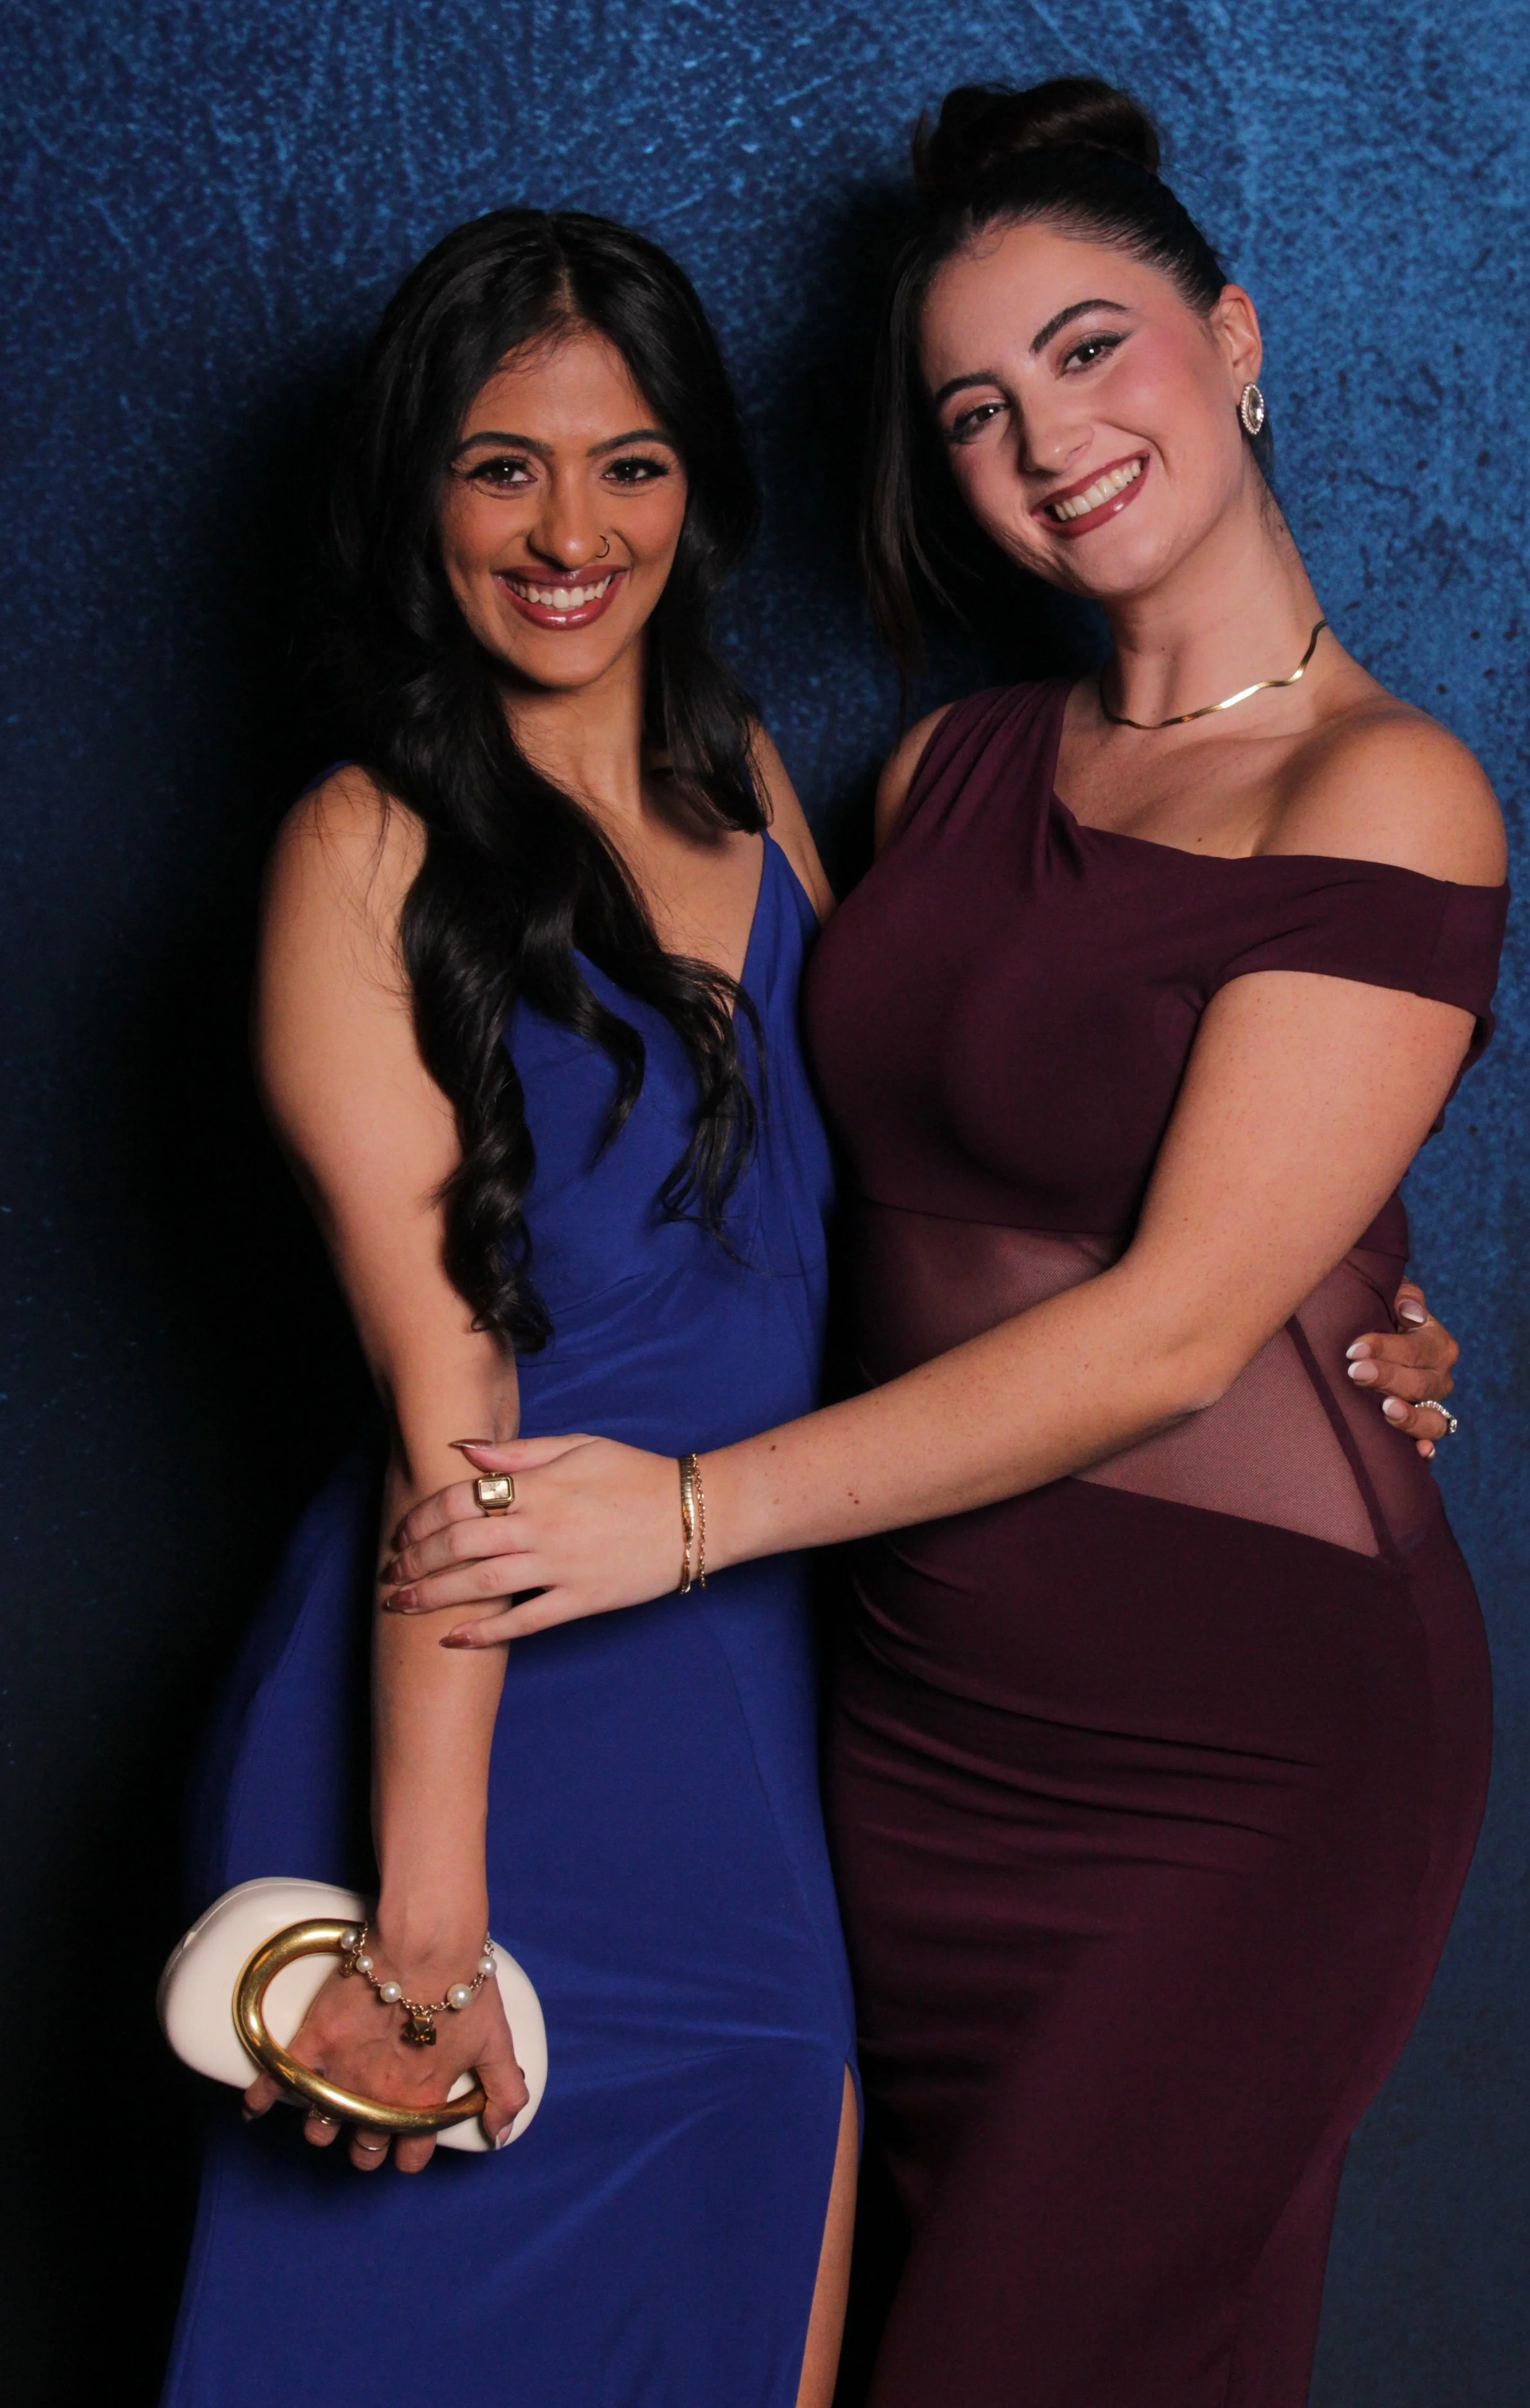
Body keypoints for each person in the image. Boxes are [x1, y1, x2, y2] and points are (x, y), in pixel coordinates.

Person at [385, 80, 1507, 2408]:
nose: (1047, 441)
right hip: (907, 1730)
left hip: (1237, 1764)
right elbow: (837, 1184)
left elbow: (1169, 1333)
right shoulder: (944, 773)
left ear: (1233, 339)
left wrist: (684, 1516)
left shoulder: (1383, 789)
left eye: (1091, 350)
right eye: (976, 408)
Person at [162, 209, 858, 2408]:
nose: (572, 533)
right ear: (418, 493)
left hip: (737, 1671)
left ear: (696, 487)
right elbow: (447, 1383)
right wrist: (426, 1907)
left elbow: (944, 1173)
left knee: (746, 2295)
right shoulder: (358, 848)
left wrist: (1348, 1289)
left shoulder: (751, 784)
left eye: (629, 463)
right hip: (460, 1718)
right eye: (502, 466)